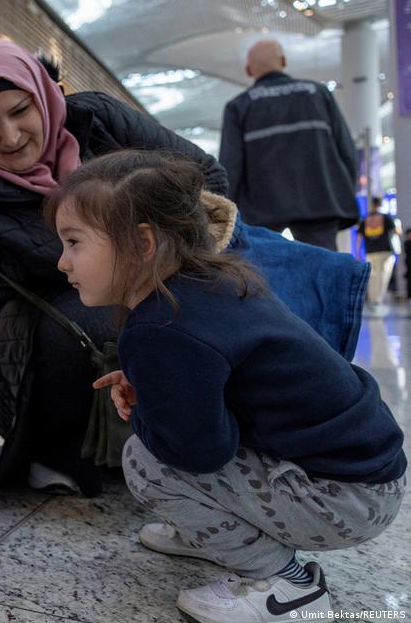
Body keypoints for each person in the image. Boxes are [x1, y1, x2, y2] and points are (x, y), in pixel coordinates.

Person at [53, 150, 405, 623]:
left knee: (145, 461)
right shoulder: (215, 283)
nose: (62, 262)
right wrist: (157, 389)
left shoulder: (162, 327)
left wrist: (145, 411)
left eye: (74, 242)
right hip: (371, 475)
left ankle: (287, 584)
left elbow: (197, 453)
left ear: (142, 242)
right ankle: (213, 533)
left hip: (342, 498)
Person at [0, 38, 230, 498]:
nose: (11, 137)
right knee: (101, 309)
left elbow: (206, 179)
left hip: (139, 297)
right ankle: (61, 452)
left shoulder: (97, 119)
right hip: (37, 365)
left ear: (43, 95)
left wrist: (153, 258)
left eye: (21, 110)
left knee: (196, 299)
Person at [218, 39, 359, 251]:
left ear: (248, 70)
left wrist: (226, 214)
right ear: (283, 61)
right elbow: (346, 151)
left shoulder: (239, 106)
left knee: (264, 265)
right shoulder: (319, 93)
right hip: (319, 203)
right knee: (321, 265)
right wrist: (344, 192)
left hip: (261, 210)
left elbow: (231, 165)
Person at [358, 196, 400, 308]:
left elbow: (359, 237)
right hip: (385, 250)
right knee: (383, 275)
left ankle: (373, 299)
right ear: (381, 204)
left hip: (370, 251)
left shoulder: (365, 219)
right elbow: (396, 231)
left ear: (372, 204)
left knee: (372, 275)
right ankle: (378, 300)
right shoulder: (386, 217)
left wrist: (358, 252)